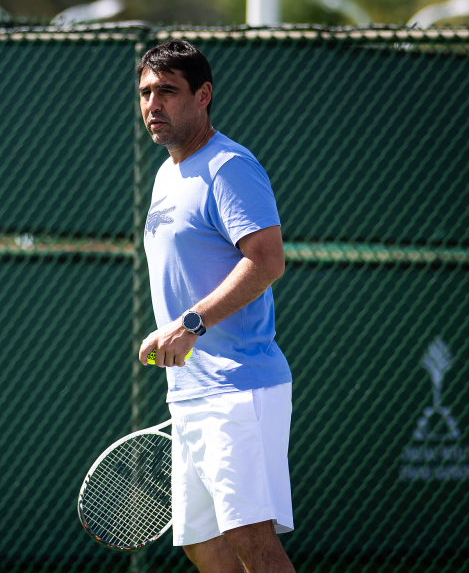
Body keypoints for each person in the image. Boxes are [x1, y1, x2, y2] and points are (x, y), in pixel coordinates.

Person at [135, 40, 295, 573]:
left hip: (239, 388)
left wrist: (191, 323)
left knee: (251, 539)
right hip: (189, 392)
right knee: (203, 544)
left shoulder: (229, 166)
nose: (153, 104)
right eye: (145, 93)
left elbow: (267, 260)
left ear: (203, 95)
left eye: (168, 92)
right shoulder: (166, 174)